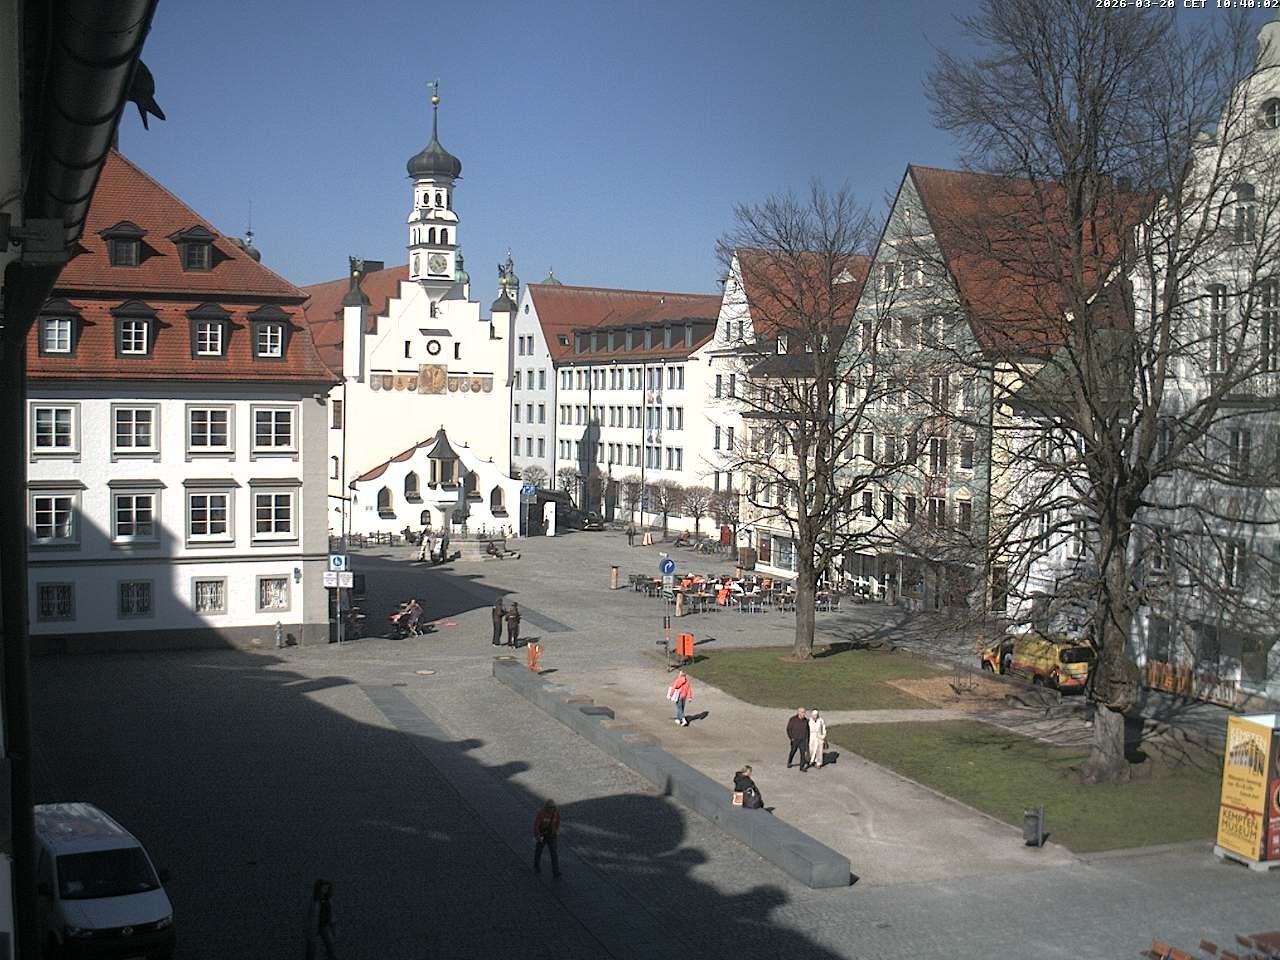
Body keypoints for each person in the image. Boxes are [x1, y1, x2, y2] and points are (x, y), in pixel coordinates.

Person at [305, 879, 338, 960]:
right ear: (319, 888)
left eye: (327, 888)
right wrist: (309, 927)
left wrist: (333, 924)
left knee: (330, 944)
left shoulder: (328, 899)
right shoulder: (314, 900)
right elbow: (310, 915)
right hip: (314, 926)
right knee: (312, 947)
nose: (325, 890)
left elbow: (331, 912)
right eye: (323, 888)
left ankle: (331, 957)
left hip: (324, 925)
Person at [533, 799, 561, 878]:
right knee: (539, 851)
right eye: (550, 807)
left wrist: (555, 831)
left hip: (552, 835)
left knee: (554, 854)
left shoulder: (556, 814)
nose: (551, 809)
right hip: (542, 835)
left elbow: (558, 822)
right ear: (546, 807)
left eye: (553, 807)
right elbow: (536, 825)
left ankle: (556, 872)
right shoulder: (541, 813)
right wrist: (538, 835)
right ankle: (536, 865)